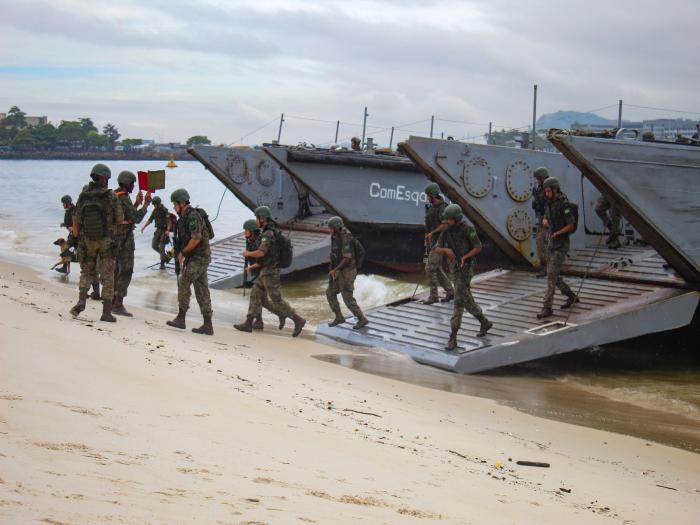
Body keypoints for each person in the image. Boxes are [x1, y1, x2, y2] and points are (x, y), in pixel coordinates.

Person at [234, 206, 306, 336]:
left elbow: (261, 252)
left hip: (270, 271)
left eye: (257, 218)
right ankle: (249, 323)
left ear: (262, 219)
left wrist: (248, 253)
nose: (256, 221)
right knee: (255, 293)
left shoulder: (267, 234)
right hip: (266, 271)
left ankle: (298, 320)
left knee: (277, 300)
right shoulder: (269, 231)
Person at [69, 163, 124, 321]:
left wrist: (76, 236)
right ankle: (106, 313)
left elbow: (77, 218)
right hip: (106, 240)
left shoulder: (84, 194)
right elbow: (120, 219)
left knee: (86, 271)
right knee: (108, 276)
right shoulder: (110, 195)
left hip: (87, 240)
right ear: (105, 178)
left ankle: (81, 301)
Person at [434, 204, 492, 350]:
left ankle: (453, 336)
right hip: (454, 268)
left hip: (466, 268)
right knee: (465, 298)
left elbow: (478, 247)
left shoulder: (468, 229)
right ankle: (484, 322)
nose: (446, 222)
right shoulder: (446, 231)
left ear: (456, 219)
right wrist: (446, 250)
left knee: (458, 301)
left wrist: (465, 257)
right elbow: (436, 247)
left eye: (449, 219)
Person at [166, 188, 214, 335]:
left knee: (184, 281)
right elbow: (184, 240)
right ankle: (208, 325)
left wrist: (183, 253)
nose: (174, 207)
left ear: (181, 203)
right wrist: (175, 252)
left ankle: (181, 318)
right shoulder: (184, 218)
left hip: (200, 257)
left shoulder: (192, 216)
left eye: (174, 204)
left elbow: (196, 238)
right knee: (201, 289)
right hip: (198, 257)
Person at [537, 177, 579, 319]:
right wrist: (545, 220)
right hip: (551, 242)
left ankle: (547, 307)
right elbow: (546, 217)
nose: (546, 193)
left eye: (548, 191)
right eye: (546, 191)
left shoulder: (564, 204)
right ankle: (571, 295)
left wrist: (557, 233)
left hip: (561, 244)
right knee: (553, 274)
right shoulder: (549, 203)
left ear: (555, 190)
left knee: (551, 275)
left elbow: (571, 225)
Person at [112, 170, 151, 316]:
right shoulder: (123, 198)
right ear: (127, 184)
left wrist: (136, 203)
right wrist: (146, 205)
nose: (134, 185)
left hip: (113, 238)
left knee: (116, 269)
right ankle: (118, 303)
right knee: (126, 270)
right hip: (124, 239)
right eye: (132, 183)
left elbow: (126, 214)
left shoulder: (115, 195)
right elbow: (136, 218)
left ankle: (111, 300)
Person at [325, 216, 368, 329]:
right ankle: (339, 317)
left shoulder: (346, 238)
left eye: (330, 228)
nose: (329, 230)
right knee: (330, 292)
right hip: (339, 270)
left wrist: (336, 269)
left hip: (347, 272)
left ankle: (362, 319)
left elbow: (347, 258)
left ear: (336, 227)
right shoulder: (336, 236)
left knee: (347, 297)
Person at [242, 218, 285, 331]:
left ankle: (282, 314)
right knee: (262, 300)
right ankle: (261, 320)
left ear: (251, 231)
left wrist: (250, 266)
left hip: (264, 273)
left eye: (246, 230)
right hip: (260, 272)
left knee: (258, 297)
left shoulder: (259, 242)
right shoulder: (250, 240)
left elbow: (261, 260)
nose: (244, 233)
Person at [422, 183, 454, 304]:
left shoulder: (443, 208)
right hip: (434, 241)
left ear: (432, 195)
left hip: (441, 242)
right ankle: (451, 292)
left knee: (430, 268)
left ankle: (434, 296)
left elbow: (445, 224)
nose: (426, 198)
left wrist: (432, 232)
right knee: (437, 268)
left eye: (427, 195)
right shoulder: (432, 207)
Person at [141, 195, 172, 269]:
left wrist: (168, 230)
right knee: (154, 245)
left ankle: (162, 263)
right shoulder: (155, 211)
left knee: (161, 246)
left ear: (158, 204)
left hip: (164, 231)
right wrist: (144, 227)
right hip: (158, 230)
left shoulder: (165, 210)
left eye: (155, 205)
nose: (154, 206)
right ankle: (166, 257)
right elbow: (150, 220)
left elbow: (169, 221)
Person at [532, 167, 549, 276]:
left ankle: (546, 268)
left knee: (541, 244)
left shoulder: (548, 188)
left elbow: (549, 205)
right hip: (542, 219)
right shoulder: (540, 188)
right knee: (542, 244)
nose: (537, 180)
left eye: (538, 178)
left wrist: (546, 218)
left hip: (547, 220)